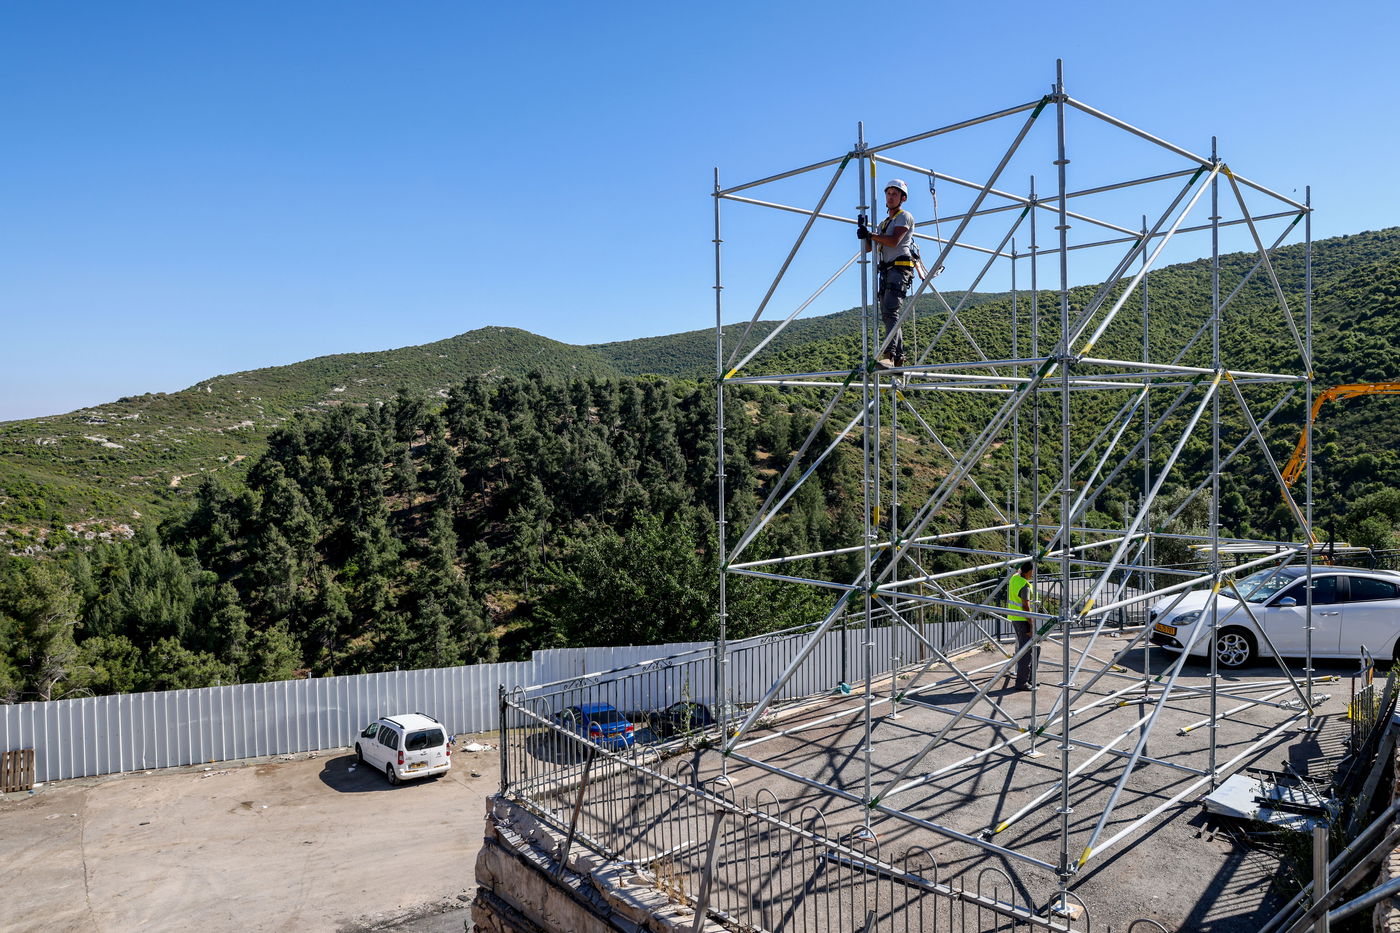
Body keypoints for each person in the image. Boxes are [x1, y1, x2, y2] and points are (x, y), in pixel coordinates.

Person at [857, 179, 916, 368]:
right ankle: (897, 358)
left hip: (900, 268)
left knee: (890, 311)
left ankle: (890, 355)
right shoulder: (884, 224)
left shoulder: (904, 216)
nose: (890, 197)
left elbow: (893, 241)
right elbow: (869, 248)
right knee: (888, 314)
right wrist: (865, 234)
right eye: (888, 193)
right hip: (888, 270)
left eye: (895, 194)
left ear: (902, 198)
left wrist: (872, 235)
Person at [1006, 560, 1036, 690]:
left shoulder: (1014, 578)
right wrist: (1031, 622)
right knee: (1026, 652)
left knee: (1029, 649)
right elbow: (1025, 605)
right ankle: (1022, 682)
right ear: (1029, 571)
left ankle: (1029, 679)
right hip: (1023, 620)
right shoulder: (1025, 586)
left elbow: (1017, 571)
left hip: (1014, 617)